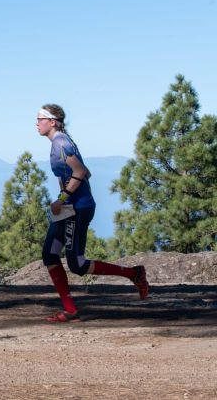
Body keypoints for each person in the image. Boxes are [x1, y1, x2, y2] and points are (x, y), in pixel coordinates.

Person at [37, 104, 150, 322]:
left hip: (78, 209)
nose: (36, 123)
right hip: (69, 208)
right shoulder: (58, 142)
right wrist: (63, 198)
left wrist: (61, 199)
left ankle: (134, 273)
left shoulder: (60, 141)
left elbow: (82, 172)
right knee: (50, 255)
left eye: (40, 119)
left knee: (77, 265)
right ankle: (70, 310)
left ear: (52, 121)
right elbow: (71, 174)